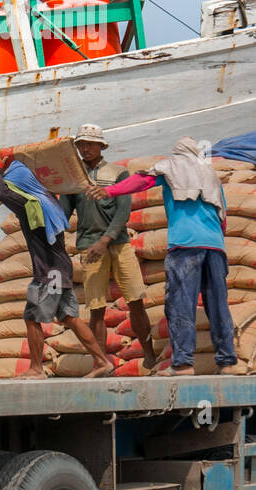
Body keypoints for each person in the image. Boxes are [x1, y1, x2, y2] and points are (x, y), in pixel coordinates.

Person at [93, 137, 235, 376]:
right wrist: (218, 245)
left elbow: (141, 181)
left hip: (185, 246)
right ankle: (228, 362)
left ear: (177, 154)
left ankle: (183, 364)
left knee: (181, 305)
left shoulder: (172, 166)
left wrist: (109, 191)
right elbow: (224, 216)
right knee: (218, 305)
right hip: (215, 248)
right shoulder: (211, 175)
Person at [0, 148, 111, 378]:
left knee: (32, 318)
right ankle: (102, 361)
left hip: (49, 273)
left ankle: (36, 369)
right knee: (69, 318)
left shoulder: (31, 205)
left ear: (21, 187)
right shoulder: (47, 200)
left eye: (14, 186)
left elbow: (2, 193)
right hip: (60, 269)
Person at [62, 124, 157, 369]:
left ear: (101, 146)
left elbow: (122, 212)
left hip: (118, 245)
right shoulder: (74, 178)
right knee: (96, 308)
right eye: (81, 144)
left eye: (90, 144)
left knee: (135, 300)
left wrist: (105, 241)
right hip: (89, 246)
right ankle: (101, 362)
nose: (85, 149)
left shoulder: (118, 174)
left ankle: (149, 354)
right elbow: (64, 213)